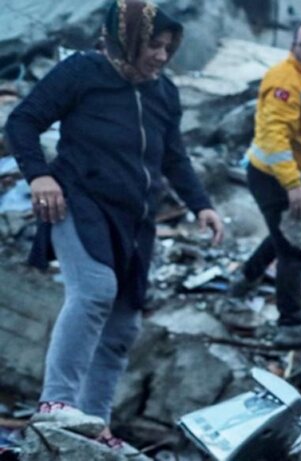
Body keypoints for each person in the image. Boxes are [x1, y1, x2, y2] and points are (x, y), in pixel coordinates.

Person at [4, 0, 223, 452]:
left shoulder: (164, 93)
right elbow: (22, 120)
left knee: (122, 327)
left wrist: (202, 205)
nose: (162, 55)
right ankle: (56, 403)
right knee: (94, 290)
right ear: (128, 39)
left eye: (168, 47)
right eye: (153, 45)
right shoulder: (83, 71)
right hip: (78, 201)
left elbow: (174, 157)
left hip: (136, 222)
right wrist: (39, 176)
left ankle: (94, 426)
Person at [228, 19, 301, 342]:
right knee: (294, 250)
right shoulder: (284, 80)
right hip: (272, 177)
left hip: (296, 179)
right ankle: (289, 326)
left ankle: (242, 281)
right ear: (293, 47)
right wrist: (293, 186)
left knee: (281, 236)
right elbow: (274, 136)